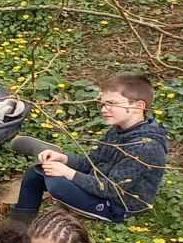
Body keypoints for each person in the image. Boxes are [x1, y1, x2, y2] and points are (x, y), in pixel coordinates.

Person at [10, 73, 168, 224]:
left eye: (112, 103)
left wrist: (66, 172)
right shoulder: (117, 129)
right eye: (103, 104)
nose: (104, 109)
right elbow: (92, 162)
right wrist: (64, 159)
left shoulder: (145, 146)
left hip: (117, 206)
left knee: (56, 183)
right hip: (99, 185)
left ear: (139, 106)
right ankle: (19, 224)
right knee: (36, 172)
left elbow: (111, 189)